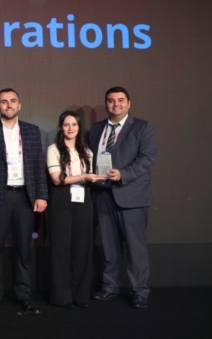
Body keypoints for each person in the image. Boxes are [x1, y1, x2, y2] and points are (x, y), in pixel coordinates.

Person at [0, 88, 48, 315]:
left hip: (25, 198)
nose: (8, 105)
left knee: (23, 251)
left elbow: (38, 165)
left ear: (19, 105)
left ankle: (24, 296)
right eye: (4, 102)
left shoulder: (32, 131)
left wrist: (41, 195)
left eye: (12, 101)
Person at [88, 87, 157, 309]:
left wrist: (123, 174)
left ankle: (139, 291)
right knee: (109, 246)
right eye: (111, 100)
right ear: (106, 104)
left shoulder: (143, 127)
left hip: (131, 196)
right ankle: (109, 286)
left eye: (120, 100)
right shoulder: (96, 129)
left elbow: (147, 158)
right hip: (103, 195)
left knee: (135, 248)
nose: (115, 104)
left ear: (129, 103)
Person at [46, 111, 105, 308]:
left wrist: (99, 178)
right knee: (60, 248)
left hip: (83, 198)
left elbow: (91, 175)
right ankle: (61, 297)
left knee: (82, 248)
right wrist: (84, 177)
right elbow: (57, 179)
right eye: (66, 125)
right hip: (61, 198)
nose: (70, 128)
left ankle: (80, 295)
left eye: (74, 124)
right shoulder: (53, 149)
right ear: (61, 127)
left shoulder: (87, 151)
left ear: (79, 128)